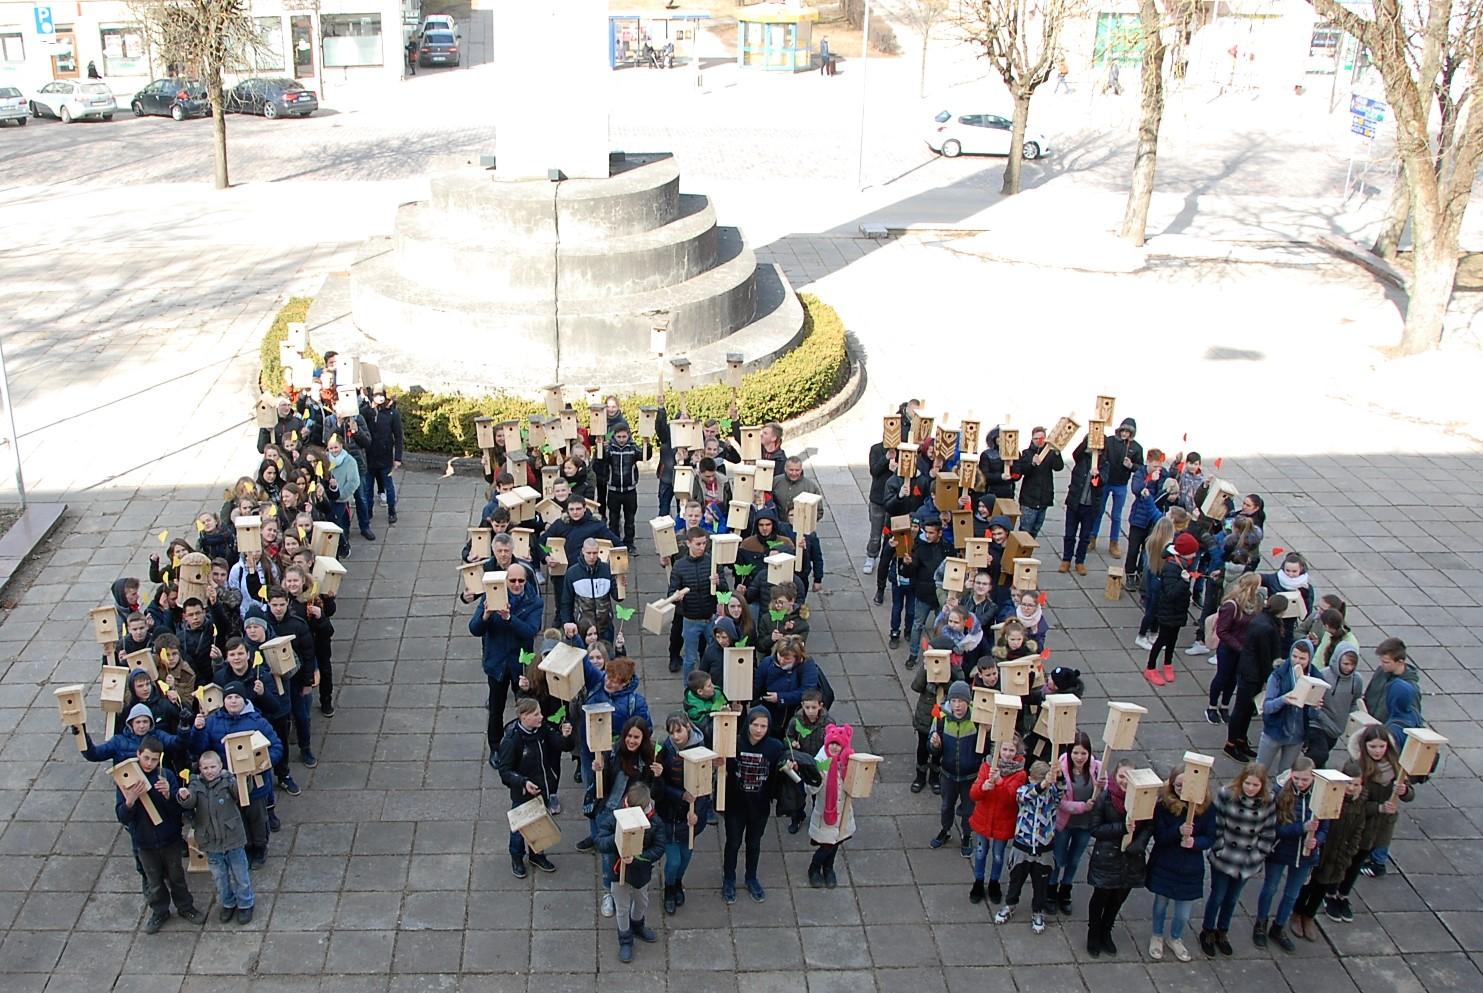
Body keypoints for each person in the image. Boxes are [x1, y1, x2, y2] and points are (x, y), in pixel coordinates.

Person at [188, 683, 285, 869]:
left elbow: (276, 746)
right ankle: (244, 848)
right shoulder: (213, 722)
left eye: (237, 697)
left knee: (257, 818)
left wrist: (261, 764)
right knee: (236, 818)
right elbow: (198, 750)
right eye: (229, 698)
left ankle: (260, 848)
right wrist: (198, 730)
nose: (233, 701)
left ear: (244, 700)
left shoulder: (257, 721)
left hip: (255, 782)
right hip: (226, 784)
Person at [118, 734, 204, 933]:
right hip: (144, 841)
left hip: (169, 838)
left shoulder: (167, 776)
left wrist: (168, 796)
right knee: (153, 880)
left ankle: (185, 907)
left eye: (154, 760)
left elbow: (178, 811)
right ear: (138, 754)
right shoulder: (126, 779)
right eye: (146, 758)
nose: (149, 763)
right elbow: (122, 816)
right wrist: (130, 801)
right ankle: (160, 911)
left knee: (176, 876)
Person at [1197, 762, 1276, 957]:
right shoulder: (1226, 794)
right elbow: (1216, 824)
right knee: (1217, 896)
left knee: (1232, 899)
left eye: (1255, 785)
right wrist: (1219, 848)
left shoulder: (1268, 801)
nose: (1250, 788)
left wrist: (1259, 854)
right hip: (1224, 857)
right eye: (1247, 783)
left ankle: (1222, 931)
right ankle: (1207, 930)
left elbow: (1268, 831)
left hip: (1247, 860)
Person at [469, 561, 544, 764]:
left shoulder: (534, 602)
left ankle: (525, 744)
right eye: (513, 581)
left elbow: (531, 630)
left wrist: (509, 618)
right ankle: (495, 747)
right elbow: (474, 629)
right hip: (497, 663)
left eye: (521, 580)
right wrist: (486, 615)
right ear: (506, 581)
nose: (517, 584)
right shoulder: (492, 596)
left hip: (521, 664)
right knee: (496, 708)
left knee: (526, 706)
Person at [720, 706, 793, 904]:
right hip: (735, 806)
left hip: (760, 808)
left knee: (754, 844)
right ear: (748, 724)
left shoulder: (774, 747)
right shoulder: (733, 743)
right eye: (755, 725)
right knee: (733, 844)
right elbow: (721, 763)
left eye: (763, 726)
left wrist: (788, 765)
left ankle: (751, 878)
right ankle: (729, 879)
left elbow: (783, 762)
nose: (758, 730)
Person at [1146, 762, 1216, 962]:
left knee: (1183, 913)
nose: (1181, 790)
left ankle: (1175, 937)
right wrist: (1178, 831)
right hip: (1165, 863)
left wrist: (1195, 842)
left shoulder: (1207, 808)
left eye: (1186, 786)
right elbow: (1159, 837)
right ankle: (1157, 935)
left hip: (1190, 868)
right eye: (1178, 785)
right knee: (1161, 905)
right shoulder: (1164, 807)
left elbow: (1210, 836)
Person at [1254, 757, 1326, 952]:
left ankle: (1278, 927)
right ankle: (1261, 923)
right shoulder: (1279, 794)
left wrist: (1317, 840)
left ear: (1313, 778)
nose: (1300, 783)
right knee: (1270, 888)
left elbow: (1325, 827)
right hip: (1280, 850)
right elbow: (1274, 828)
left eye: (1305, 780)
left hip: (1305, 855)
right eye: (1296, 778)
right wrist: (1302, 828)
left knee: (1292, 894)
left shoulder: (1321, 795)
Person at [178, 749, 254, 925]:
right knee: (220, 879)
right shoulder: (196, 784)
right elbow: (190, 802)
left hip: (232, 838)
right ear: (200, 769)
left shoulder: (228, 781)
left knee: (241, 875)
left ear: (220, 766)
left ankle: (246, 903)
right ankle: (228, 903)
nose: (209, 771)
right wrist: (184, 796)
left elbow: (241, 793)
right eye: (205, 768)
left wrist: (245, 778)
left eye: (213, 767)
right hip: (211, 841)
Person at [1084, 759, 1151, 957]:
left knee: (1118, 898)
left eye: (1129, 776)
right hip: (1107, 857)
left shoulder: (1143, 798)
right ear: (1115, 776)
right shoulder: (1105, 799)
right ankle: (1093, 933)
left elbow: (1149, 825)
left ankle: (1106, 931)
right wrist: (1121, 828)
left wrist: (1138, 844)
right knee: (1101, 897)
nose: (1125, 780)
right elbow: (1095, 828)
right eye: (1122, 776)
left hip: (1131, 859)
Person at [496, 698, 568, 877]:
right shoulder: (512, 741)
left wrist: (565, 736)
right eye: (536, 714)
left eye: (540, 713)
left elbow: (561, 745)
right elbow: (504, 771)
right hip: (523, 793)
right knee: (519, 829)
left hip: (543, 788)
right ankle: (517, 857)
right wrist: (523, 782)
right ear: (523, 717)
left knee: (540, 824)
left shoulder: (542, 729)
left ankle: (537, 855)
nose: (541, 717)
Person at [595, 783, 665, 963]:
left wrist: (637, 858)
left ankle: (637, 926)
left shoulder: (655, 822)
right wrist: (618, 838)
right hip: (618, 870)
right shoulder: (616, 816)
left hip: (640, 871)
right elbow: (600, 841)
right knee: (622, 907)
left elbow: (659, 848)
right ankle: (625, 940)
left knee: (642, 902)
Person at [992, 759, 1062, 933]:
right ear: (1030, 779)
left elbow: (1062, 791)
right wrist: (1043, 784)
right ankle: (1010, 904)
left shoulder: (1053, 795)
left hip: (1044, 848)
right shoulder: (1023, 791)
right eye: (1037, 780)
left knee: (1041, 885)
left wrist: (1059, 777)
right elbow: (1027, 796)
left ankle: (1037, 911)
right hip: (1022, 846)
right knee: (1015, 879)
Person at [1293, 760, 1364, 929]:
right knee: (1308, 884)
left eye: (1356, 785)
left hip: (1339, 852)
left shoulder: (1359, 803)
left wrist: (1350, 851)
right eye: (1349, 783)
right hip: (1323, 848)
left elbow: (1359, 828)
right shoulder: (1332, 797)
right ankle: (1296, 913)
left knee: (1323, 887)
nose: (1351, 788)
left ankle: (1309, 916)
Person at [655, 712, 710, 914]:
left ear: (688, 727)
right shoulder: (665, 750)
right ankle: (669, 888)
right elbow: (659, 788)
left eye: (679, 731)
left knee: (686, 856)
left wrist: (698, 813)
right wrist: (681, 796)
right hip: (669, 814)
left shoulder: (701, 748)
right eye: (671, 733)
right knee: (673, 860)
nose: (675, 736)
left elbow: (704, 787)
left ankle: (678, 882)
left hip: (690, 819)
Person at [1225, 595, 1288, 762]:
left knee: (1247, 709)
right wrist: (1270, 678)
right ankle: (1231, 744)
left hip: (1251, 671)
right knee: (1241, 709)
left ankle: (1241, 740)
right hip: (1251, 673)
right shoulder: (1265, 626)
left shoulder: (1264, 620)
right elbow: (1266, 656)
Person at [968, 734, 1027, 904]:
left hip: (1003, 820)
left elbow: (1012, 798)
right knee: (980, 853)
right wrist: (983, 787)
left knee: (998, 855)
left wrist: (1000, 782)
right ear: (998, 750)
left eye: (1011, 750)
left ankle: (994, 882)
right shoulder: (987, 766)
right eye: (1004, 749)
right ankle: (978, 882)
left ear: (1017, 752)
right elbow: (973, 794)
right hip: (984, 817)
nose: (1007, 754)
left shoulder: (1020, 774)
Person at [1048, 731, 1100, 917]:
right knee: (1058, 858)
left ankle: (1066, 889)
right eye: (1076, 753)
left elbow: (1103, 793)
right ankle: (1051, 890)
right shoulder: (1059, 770)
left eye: (1083, 753)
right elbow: (1058, 801)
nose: (1079, 757)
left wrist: (1103, 787)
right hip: (1064, 823)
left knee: (1074, 859)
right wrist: (1082, 807)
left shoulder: (1097, 769)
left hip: (1085, 824)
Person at [1352, 724, 1413, 879]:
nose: (1377, 751)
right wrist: (1379, 808)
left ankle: (1376, 864)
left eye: (1381, 746)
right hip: (1361, 823)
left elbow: (1410, 794)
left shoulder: (1396, 765)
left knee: (1365, 855)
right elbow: (1353, 802)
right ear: (1364, 746)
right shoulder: (1357, 767)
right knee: (1352, 862)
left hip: (1383, 824)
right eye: (1373, 746)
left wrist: (1404, 791)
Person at [929, 680, 981, 856]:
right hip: (948, 774)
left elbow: (986, 746)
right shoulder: (940, 718)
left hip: (970, 776)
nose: (957, 705)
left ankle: (967, 835)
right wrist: (935, 745)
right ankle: (946, 830)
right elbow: (933, 750)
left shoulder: (977, 719)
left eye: (961, 701)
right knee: (946, 806)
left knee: (968, 809)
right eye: (954, 701)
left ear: (968, 702)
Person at [665, 528, 722, 678]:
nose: (702, 547)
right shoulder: (679, 565)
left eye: (704, 543)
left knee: (713, 655)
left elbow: (725, 591)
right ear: (688, 543)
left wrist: (719, 583)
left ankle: (711, 684)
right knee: (690, 659)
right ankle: (688, 687)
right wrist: (677, 597)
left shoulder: (712, 562)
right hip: (690, 619)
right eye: (698, 544)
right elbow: (671, 592)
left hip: (710, 618)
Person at [1206, 572, 1260, 725]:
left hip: (1243, 649)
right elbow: (1222, 631)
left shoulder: (1255, 604)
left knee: (1234, 679)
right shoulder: (1231, 605)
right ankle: (1211, 706)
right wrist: (1239, 647)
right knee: (1222, 677)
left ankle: (1224, 705)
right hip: (1228, 649)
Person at [1144, 532, 1198, 686]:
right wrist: (1184, 582)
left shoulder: (1181, 564)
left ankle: (1168, 663)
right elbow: (1171, 593)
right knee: (1162, 640)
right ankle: (1150, 667)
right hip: (1168, 611)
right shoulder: (1170, 568)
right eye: (1192, 553)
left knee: (1173, 639)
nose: (1194, 556)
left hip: (1177, 611)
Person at [1255, 639, 1317, 774]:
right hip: (1274, 732)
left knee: (1286, 774)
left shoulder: (1316, 678)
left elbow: (1313, 716)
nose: (1297, 661)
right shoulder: (1278, 675)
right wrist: (1283, 700)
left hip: (1297, 736)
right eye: (1294, 656)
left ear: (1310, 659)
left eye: (1302, 658)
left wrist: (1315, 707)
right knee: (1259, 770)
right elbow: (1267, 707)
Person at [806, 723, 856, 887]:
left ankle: (828, 868)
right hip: (825, 813)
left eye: (838, 744)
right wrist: (815, 778)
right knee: (827, 845)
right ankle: (814, 867)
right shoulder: (820, 763)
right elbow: (811, 789)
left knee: (836, 843)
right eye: (831, 744)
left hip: (843, 812)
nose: (834, 747)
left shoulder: (848, 762)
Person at [1089, 418, 1141, 558]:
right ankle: (1092, 537)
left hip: (1121, 484)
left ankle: (1114, 542)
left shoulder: (1136, 448)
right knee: (1098, 511)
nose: (1124, 434)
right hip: (1106, 481)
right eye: (1123, 431)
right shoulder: (1110, 441)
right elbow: (1100, 453)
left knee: (1116, 515)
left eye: (1127, 432)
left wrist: (1131, 466)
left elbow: (1140, 467)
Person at [1310, 646, 1365, 768]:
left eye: (1352, 664)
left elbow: (1354, 702)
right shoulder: (1323, 675)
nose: (1349, 668)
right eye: (1346, 664)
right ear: (1337, 660)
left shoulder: (1357, 680)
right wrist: (1319, 715)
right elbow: (1313, 701)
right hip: (1318, 724)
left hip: (1337, 728)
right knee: (1319, 755)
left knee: (1322, 757)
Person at [360, 386, 403, 526]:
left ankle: (392, 511)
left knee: (388, 486)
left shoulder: (392, 413)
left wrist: (398, 458)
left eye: (381, 395)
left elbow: (398, 436)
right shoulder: (365, 412)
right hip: (369, 457)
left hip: (385, 457)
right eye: (377, 395)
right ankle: (368, 512)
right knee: (368, 488)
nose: (380, 398)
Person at [1014, 428, 1062, 537]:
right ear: (1032, 439)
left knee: (1035, 529)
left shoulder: (1050, 453)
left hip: (1044, 499)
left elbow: (1058, 467)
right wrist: (1032, 464)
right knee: (1025, 530)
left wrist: (1057, 453)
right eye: (1036, 438)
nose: (1039, 441)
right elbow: (1022, 470)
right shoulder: (1026, 453)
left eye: (1041, 438)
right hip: (1029, 500)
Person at [1363, 637, 1422, 723]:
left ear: (1400, 662)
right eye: (1382, 661)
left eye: (1386, 662)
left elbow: (1412, 718)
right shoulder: (1381, 672)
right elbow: (1368, 696)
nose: (1382, 665)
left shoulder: (1410, 688)